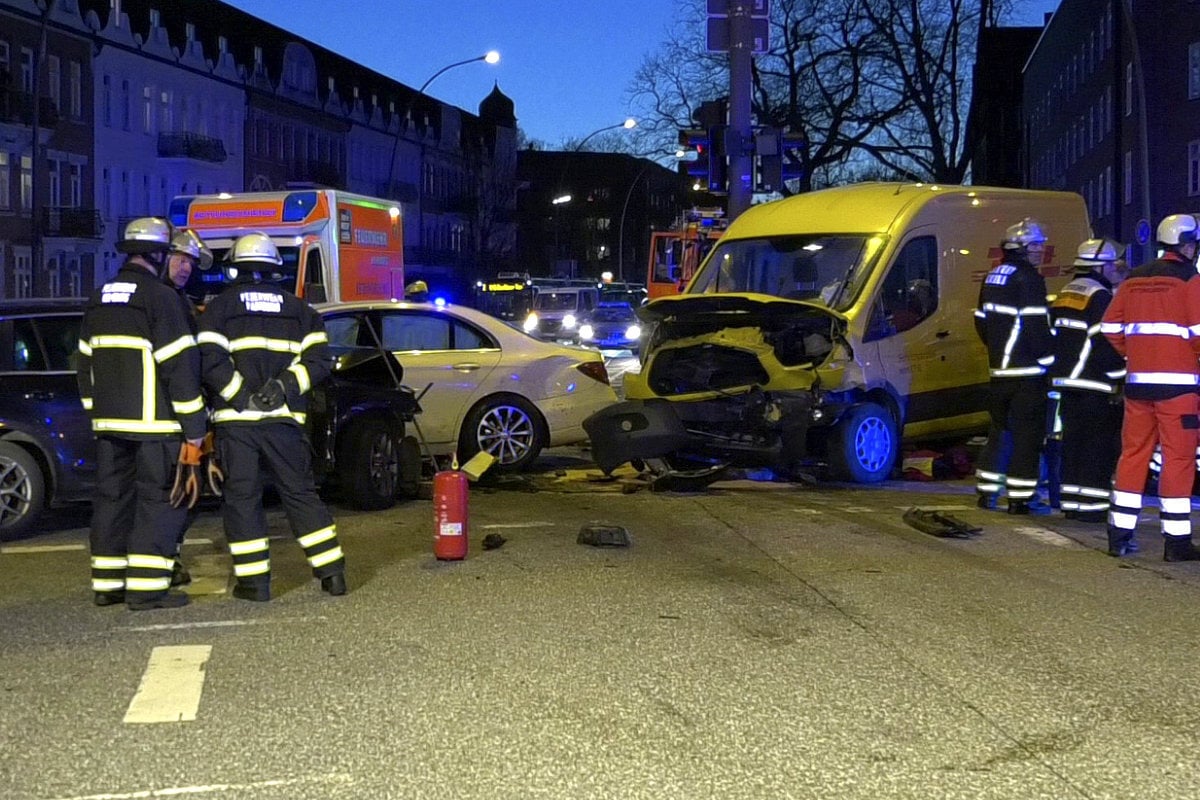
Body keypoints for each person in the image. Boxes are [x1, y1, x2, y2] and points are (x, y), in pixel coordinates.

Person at [197, 232, 347, 600]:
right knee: (300, 494)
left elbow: (211, 362)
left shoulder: (219, 309)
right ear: (275, 269)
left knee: (243, 499)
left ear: (236, 269)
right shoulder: (301, 311)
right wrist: (282, 388)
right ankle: (333, 575)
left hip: (237, 425)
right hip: (284, 422)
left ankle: (255, 584)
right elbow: (319, 362)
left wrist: (241, 396)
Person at [76, 217, 207, 609]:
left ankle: (108, 583)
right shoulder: (161, 299)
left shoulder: (100, 296)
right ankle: (147, 590)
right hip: (156, 425)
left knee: (113, 501)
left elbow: (84, 362)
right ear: (158, 254)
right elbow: (179, 367)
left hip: (110, 425)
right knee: (159, 502)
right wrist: (195, 427)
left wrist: (96, 413)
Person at [1101, 214, 1200, 560]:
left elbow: (1110, 327)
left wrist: (1137, 354)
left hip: (1138, 385)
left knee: (1133, 455)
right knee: (1178, 459)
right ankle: (1176, 542)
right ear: (1187, 245)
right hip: (1179, 388)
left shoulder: (1134, 280)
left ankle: (1119, 534)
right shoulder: (1190, 280)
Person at [973, 218, 1056, 514]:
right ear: (1020, 247)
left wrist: (997, 351)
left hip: (999, 372)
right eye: (1036, 245)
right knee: (1027, 438)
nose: (1041, 250)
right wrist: (1050, 363)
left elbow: (981, 321)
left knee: (999, 432)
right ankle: (1021, 499)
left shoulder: (994, 276)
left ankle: (986, 491)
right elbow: (1036, 326)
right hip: (1026, 374)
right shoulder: (1028, 279)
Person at [1048, 238, 1129, 524]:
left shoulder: (1066, 292)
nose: (1115, 268)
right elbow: (1106, 343)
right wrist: (1120, 378)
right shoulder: (1101, 297)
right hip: (1094, 384)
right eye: (1112, 264)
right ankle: (1093, 507)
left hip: (1067, 383)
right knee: (1098, 447)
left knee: (1073, 445)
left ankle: (1071, 502)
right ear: (1101, 266)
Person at [164, 228, 214, 586]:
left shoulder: (180, 301)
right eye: (180, 259)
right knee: (171, 492)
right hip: (169, 415)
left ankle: (168, 555)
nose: (185, 268)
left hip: (183, 411)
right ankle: (163, 560)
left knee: (183, 493)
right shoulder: (161, 302)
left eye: (190, 263)